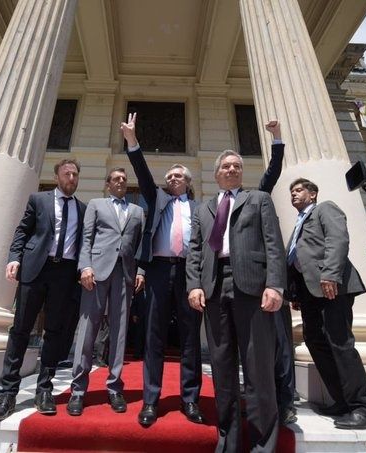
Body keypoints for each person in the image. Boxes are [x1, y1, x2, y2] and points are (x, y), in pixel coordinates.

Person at [186, 150, 286, 452]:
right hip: (214, 288)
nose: (231, 169)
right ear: (217, 174)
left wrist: (275, 285)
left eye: (237, 166)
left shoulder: (258, 199)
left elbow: (274, 243)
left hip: (252, 288)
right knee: (221, 368)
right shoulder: (203, 209)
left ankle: (262, 444)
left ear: (242, 172)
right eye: (226, 166)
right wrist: (194, 285)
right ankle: (228, 441)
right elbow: (194, 250)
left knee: (258, 368)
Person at [121, 112, 205, 426]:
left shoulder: (200, 209)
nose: (172, 179)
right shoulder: (156, 198)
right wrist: (132, 141)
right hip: (157, 271)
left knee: (190, 338)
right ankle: (151, 401)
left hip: (189, 274)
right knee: (153, 336)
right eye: (169, 176)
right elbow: (142, 173)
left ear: (188, 182)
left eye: (178, 176)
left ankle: (190, 399)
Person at [0, 159, 86, 421]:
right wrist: (14, 258)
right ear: (57, 177)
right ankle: (7, 394)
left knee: (54, 332)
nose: (72, 178)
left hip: (64, 275)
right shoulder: (38, 200)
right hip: (35, 270)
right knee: (21, 330)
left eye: (75, 175)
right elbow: (22, 231)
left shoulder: (83, 209)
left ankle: (44, 390)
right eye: (67, 174)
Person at [286, 178, 366, 429]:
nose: (293, 194)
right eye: (291, 192)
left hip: (331, 286)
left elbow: (337, 240)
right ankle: (342, 400)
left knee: (340, 343)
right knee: (315, 341)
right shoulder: (298, 222)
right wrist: (296, 293)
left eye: (299, 190)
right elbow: (297, 257)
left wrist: (330, 274)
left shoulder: (325, 208)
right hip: (309, 292)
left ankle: (364, 408)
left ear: (313, 194)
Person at [66, 167, 145, 416]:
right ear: (108, 183)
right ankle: (78, 390)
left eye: (124, 179)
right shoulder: (96, 205)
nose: (121, 181)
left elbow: (142, 245)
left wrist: (141, 271)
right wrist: (85, 266)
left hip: (125, 274)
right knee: (87, 329)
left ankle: (115, 387)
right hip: (96, 272)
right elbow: (86, 237)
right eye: (116, 178)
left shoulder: (137, 211)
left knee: (119, 332)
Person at [256, 120, 297, 425]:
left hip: (271, 284)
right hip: (245, 290)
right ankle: (260, 397)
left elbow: (272, 173)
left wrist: (277, 139)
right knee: (257, 348)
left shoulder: (258, 199)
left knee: (281, 346)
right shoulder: (218, 212)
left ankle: (286, 402)